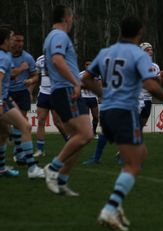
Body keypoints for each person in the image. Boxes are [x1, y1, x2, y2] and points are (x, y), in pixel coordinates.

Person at [81, 16, 163, 230]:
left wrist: (103, 92)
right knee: (134, 164)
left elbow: (86, 78)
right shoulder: (137, 54)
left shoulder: (106, 53)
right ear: (139, 32)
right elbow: (150, 85)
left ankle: (116, 205)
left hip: (107, 112)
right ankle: (110, 209)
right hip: (125, 111)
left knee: (140, 154)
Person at [82, 42, 163, 165]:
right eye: (147, 50)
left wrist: (160, 79)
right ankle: (98, 157)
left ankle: (123, 156)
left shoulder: (147, 65)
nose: (150, 52)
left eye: (151, 50)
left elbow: (151, 84)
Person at [43, 5, 93, 196]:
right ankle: (53, 168)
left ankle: (61, 181)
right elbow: (57, 60)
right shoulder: (59, 36)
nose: (72, 22)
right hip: (66, 90)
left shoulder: (51, 37)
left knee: (76, 139)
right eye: (72, 18)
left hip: (63, 89)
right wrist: (75, 83)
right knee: (86, 134)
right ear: (66, 18)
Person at [0, 26, 45, 178]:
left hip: (11, 96)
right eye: (12, 38)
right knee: (25, 126)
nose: (15, 41)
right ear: (6, 40)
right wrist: (0, 102)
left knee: (4, 133)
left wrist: (28, 79)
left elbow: (10, 75)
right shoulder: (4, 57)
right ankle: (32, 168)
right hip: (3, 98)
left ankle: (3, 167)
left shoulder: (8, 56)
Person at [34, 55, 68, 157]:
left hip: (56, 93)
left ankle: (70, 143)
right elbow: (36, 75)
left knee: (58, 122)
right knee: (40, 121)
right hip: (43, 93)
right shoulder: (40, 59)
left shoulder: (60, 58)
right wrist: (30, 90)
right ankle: (40, 150)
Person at [79, 59, 101, 139]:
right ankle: (85, 133)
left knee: (96, 116)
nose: (88, 66)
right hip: (84, 98)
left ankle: (94, 132)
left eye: (90, 64)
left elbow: (99, 86)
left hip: (93, 97)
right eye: (87, 64)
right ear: (84, 65)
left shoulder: (96, 75)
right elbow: (77, 86)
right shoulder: (80, 74)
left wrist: (99, 96)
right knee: (86, 117)